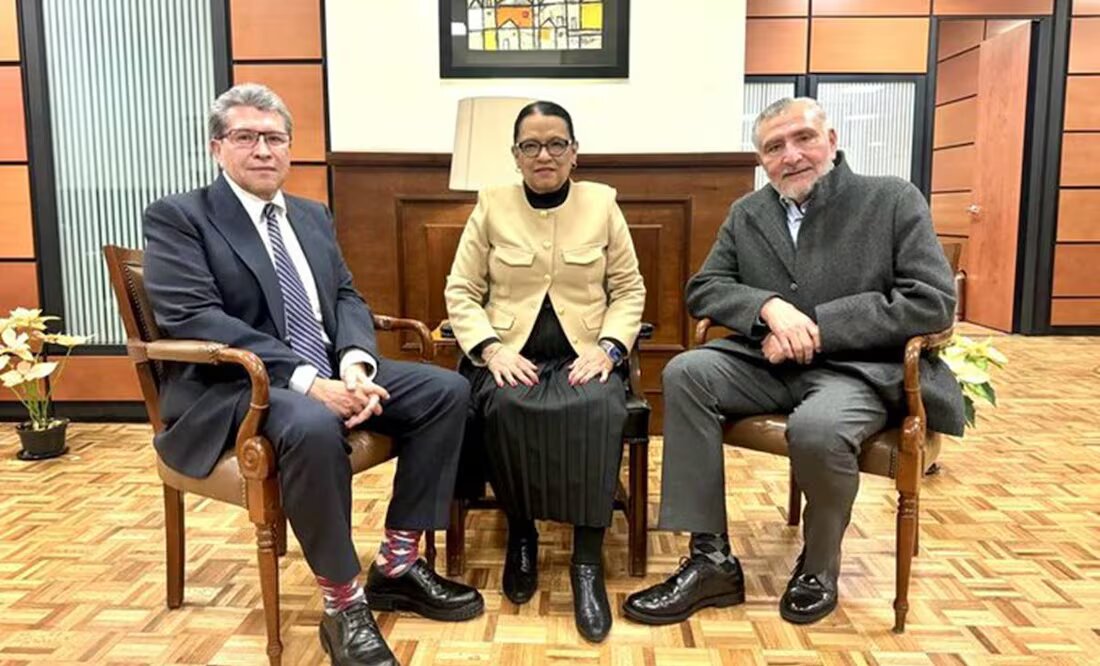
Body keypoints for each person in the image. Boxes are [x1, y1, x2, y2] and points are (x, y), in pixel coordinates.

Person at [143, 83, 483, 666]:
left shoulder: (310, 215)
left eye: (274, 138)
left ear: (289, 147)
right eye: (245, 137)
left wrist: (354, 364)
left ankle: (397, 565)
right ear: (216, 148)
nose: (263, 150)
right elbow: (196, 317)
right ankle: (343, 603)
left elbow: (346, 296)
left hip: (326, 367)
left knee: (446, 390)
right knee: (310, 423)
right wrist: (308, 381)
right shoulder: (180, 217)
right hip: (233, 386)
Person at [623, 97, 964, 627]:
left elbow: (932, 302)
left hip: (856, 370)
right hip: (766, 364)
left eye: (803, 138)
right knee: (686, 373)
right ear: (762, 160)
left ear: (831, 140)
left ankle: (819, 566)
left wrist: (820, 329)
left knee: (819, 429)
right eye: (774, 147)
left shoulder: (892, 199)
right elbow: (704, 288)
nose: (791, 155)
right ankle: (711, 561)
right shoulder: (748, 213)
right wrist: (767, 308)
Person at [444, 101, 645, 642]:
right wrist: (491, 351)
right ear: (515, 155)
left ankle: (586, 561)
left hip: (585, 353)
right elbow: (461, 290)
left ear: (574, 152)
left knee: (597, 407)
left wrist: (611, 349)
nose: (544, 155)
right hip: (513, 354)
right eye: (531, 145)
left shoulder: (602, 204)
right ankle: (522, 535)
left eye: (556, 143)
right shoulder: (491, 205)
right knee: (505, 406)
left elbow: (629, 289)